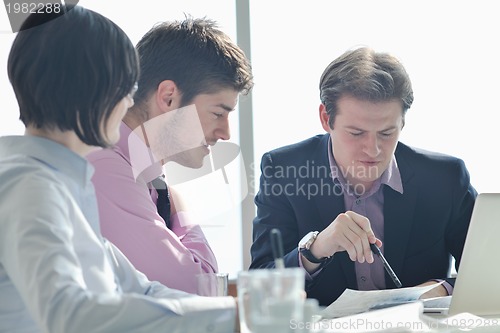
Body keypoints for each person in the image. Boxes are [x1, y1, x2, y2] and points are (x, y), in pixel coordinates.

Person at [0, 6, 236, 333]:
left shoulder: (63, 185)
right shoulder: (30, 186)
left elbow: (141, 288)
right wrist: (230, 316)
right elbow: (69, 314)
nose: (129, 103)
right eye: (125, 88)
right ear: (92, 91)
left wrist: (238, 311)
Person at [250, 46, 477, 306]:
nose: (373, 149)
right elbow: (260, 285)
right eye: (356, 133)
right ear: (326, 118)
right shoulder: (284, 171)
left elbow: (490, 272)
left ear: (402, 123)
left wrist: (442, 288)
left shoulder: (444, 179)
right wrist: (316, 249)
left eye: (386, 133)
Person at [87, 17, 253, 294]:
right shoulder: (105, 169)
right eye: (217, 113)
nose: (225, 133)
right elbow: (198, 289)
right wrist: (181, 208)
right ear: (168, 97)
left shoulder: (144, 178)